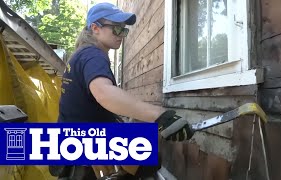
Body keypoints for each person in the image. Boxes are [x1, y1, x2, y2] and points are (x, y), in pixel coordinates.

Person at [51, 2, 194, 180]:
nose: (122, 35)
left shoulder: (80, 56)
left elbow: (89, 105)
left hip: (73, 146)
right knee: (148, 160)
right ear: (95, 28)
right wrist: (160, 116)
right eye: (116, 29)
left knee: (146, 158)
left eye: (124, 30)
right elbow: (104, 93)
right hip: (83, 157)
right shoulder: (92, 55)